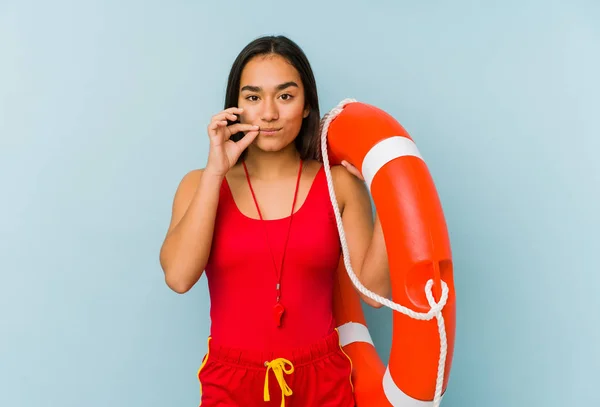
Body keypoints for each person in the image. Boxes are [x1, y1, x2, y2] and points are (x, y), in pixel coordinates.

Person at [159, 35, 390, 407]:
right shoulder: (198, 184)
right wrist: (215, 172)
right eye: (253, 97)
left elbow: (374, 295)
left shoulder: (340, 185)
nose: (268, 113)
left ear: (306, 106)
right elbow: (179, 277)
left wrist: (387, 191)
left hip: (322, 379)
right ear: (234, 108)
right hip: (231, 382)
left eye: (285, 96)